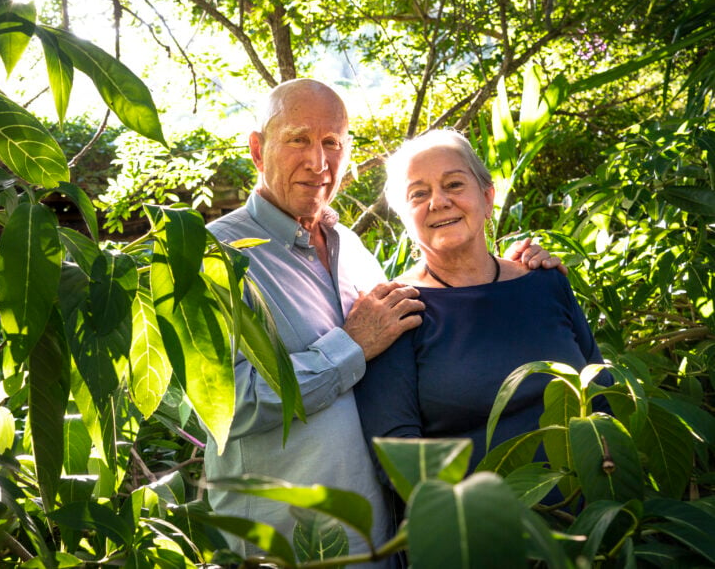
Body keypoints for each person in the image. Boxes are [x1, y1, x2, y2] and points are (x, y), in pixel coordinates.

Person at [205, 80, 561, 565]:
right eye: (298, 139)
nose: (319, 161)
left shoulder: (349, 246)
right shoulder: (213, 257)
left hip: (382, 540)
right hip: (289, 545)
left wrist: (515, 269)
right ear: (257, 150)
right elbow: (224, 408)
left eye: (332, 142)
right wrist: (349, 346)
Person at [355, 128, 613, 478]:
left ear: (488, 197)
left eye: (454, 185)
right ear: (403, 217)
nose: (439, 201)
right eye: (418, 194)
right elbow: (397, 450)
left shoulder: (545, 280)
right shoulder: (398, 309)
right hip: (476, 520)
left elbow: (602, 391)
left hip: (592, 507)